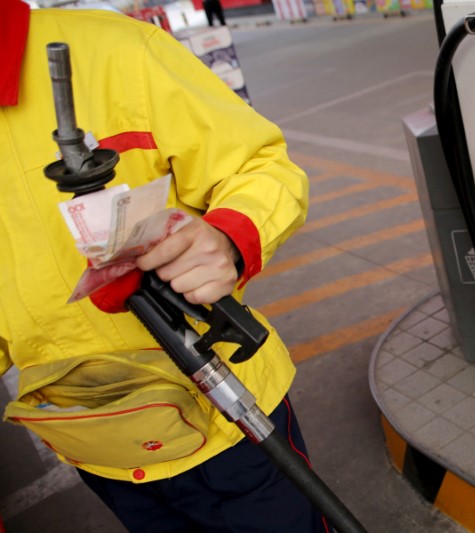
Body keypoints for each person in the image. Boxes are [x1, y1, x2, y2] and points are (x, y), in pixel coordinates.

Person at [0, 2, 327, 531]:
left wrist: (228, 237)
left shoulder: (119, 50)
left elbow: (261, 166)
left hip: (229, 418)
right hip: (100, 441)